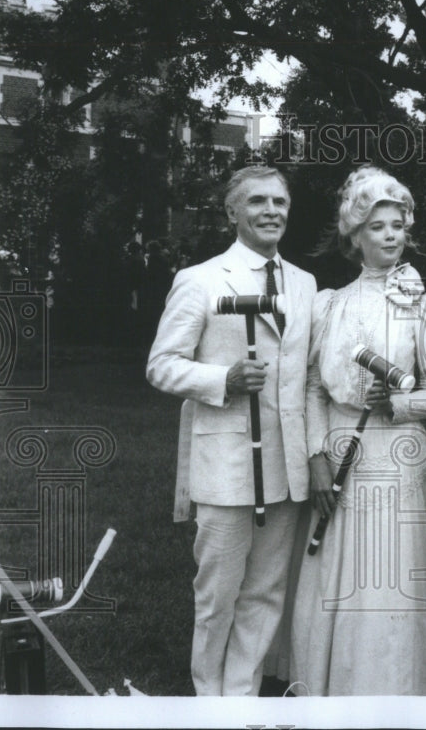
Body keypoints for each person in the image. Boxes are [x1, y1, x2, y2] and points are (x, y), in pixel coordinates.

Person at [146, 166, 317, 696]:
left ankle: (241, 695)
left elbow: (306, 372)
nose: (272, 212)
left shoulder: (306, 284)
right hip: (226, 464)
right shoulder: (200, 279)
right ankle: (207, 697)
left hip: (285, 465)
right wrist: (222, 378)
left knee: (266, 591)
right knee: (218, 592)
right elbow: (161, 364)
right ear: (232, 213)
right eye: (258, 202)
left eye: (280, 202)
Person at [289, 166, 426, 696]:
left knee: (395, 578)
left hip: (399, 454)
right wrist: (316, 455)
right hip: (340, 452)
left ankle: (399, 689)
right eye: (376, 225)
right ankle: (338, 687)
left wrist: (401, 404)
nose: (389, 235)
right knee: (345, 571)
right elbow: (314, 385)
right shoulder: (329, 304)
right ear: (354, 235)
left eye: (397, 225)